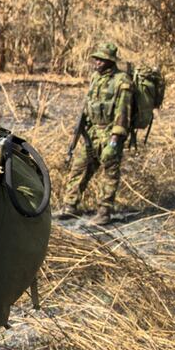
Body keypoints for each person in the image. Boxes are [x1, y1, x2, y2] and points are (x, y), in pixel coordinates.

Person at [58, 42, 133, 225]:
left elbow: (123, 113)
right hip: (92, 134)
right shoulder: (95, 78)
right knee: (80, 167)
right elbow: (88, 104)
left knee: (109, 172)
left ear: (110, 61)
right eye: (96, 59)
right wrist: (81, 129)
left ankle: (104, 211)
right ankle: (70, 205)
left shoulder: (122, 81)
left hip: (110, 134)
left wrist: (114, 142)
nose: (97, 62)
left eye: (102, 59)